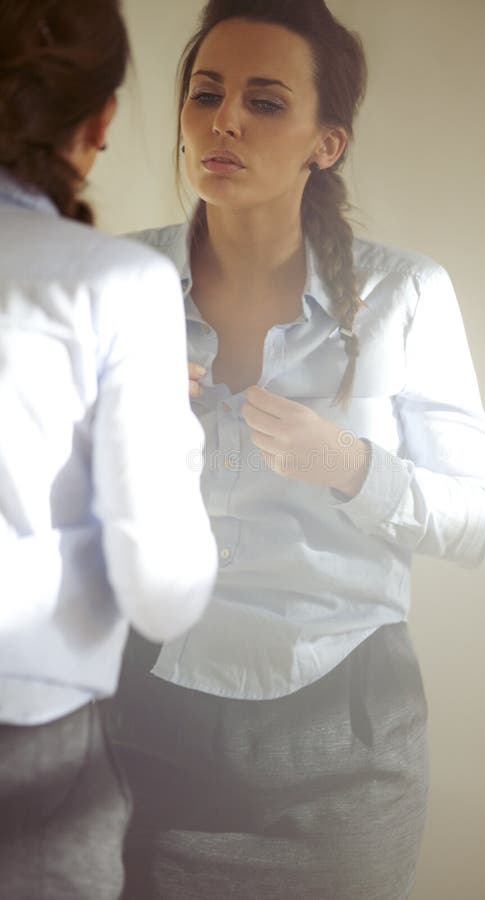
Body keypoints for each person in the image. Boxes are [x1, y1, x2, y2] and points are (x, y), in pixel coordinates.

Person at [109, 1, 485, 897]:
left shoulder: (406, 294)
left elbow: (484, 524)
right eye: (206, 93)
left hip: (344, 743)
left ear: (325, 143)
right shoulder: (115, 287)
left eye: (265, 100)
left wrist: (351, 467)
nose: (225, 119)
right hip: (137, 719)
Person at [0, 2, 218, 898]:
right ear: (101, 120)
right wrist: (183, 446)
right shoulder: (121, 283)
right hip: (34, 749)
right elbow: (161, 593)